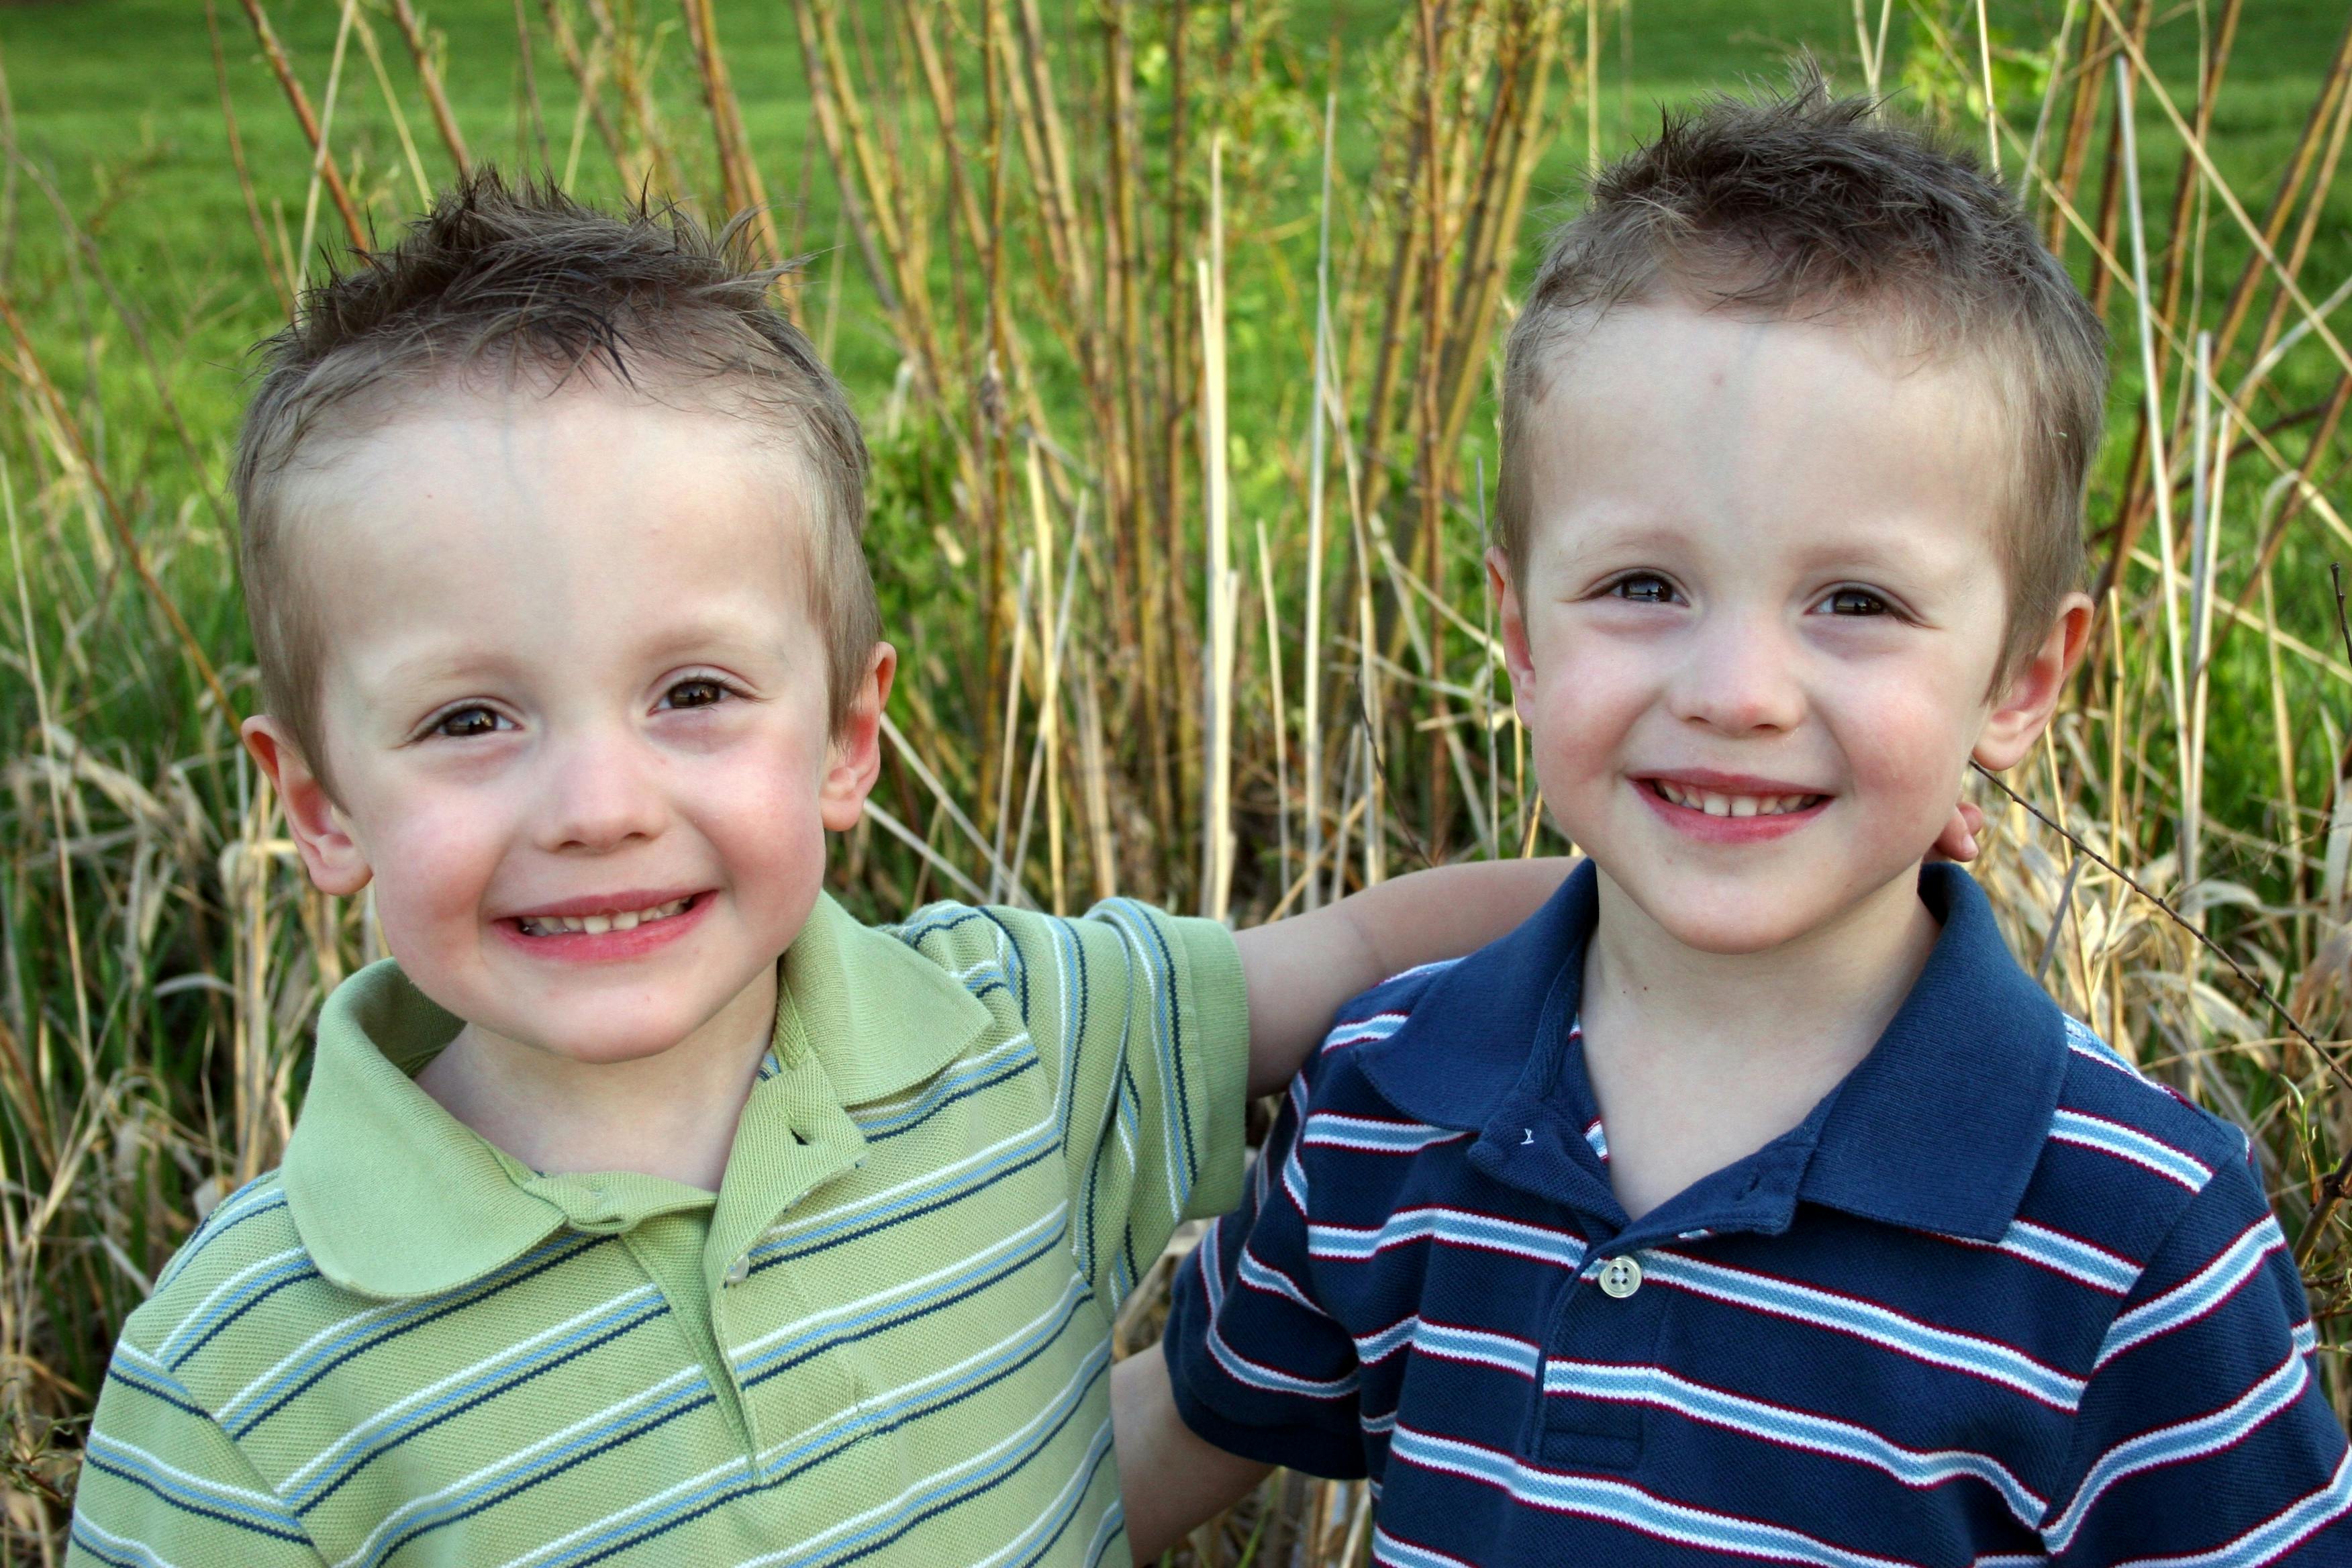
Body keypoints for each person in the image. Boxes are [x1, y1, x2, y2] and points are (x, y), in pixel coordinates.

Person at [61, 174, 1587, 1568]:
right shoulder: (244, 1384)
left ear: (848, 735)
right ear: (321, 803)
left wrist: (1779, 969)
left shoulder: (1015, 1034)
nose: (598, 803)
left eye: (695, 694)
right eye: (471, 719)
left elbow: (1376, 947)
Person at [1119, 73, 2352, 1565]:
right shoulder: (1394, 1096)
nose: (1739, 691)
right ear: (1517, 629)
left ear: (2025, 677)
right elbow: (1158, 1445)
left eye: (1856, 602)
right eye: (1644, 586)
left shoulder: (2134, 1240)